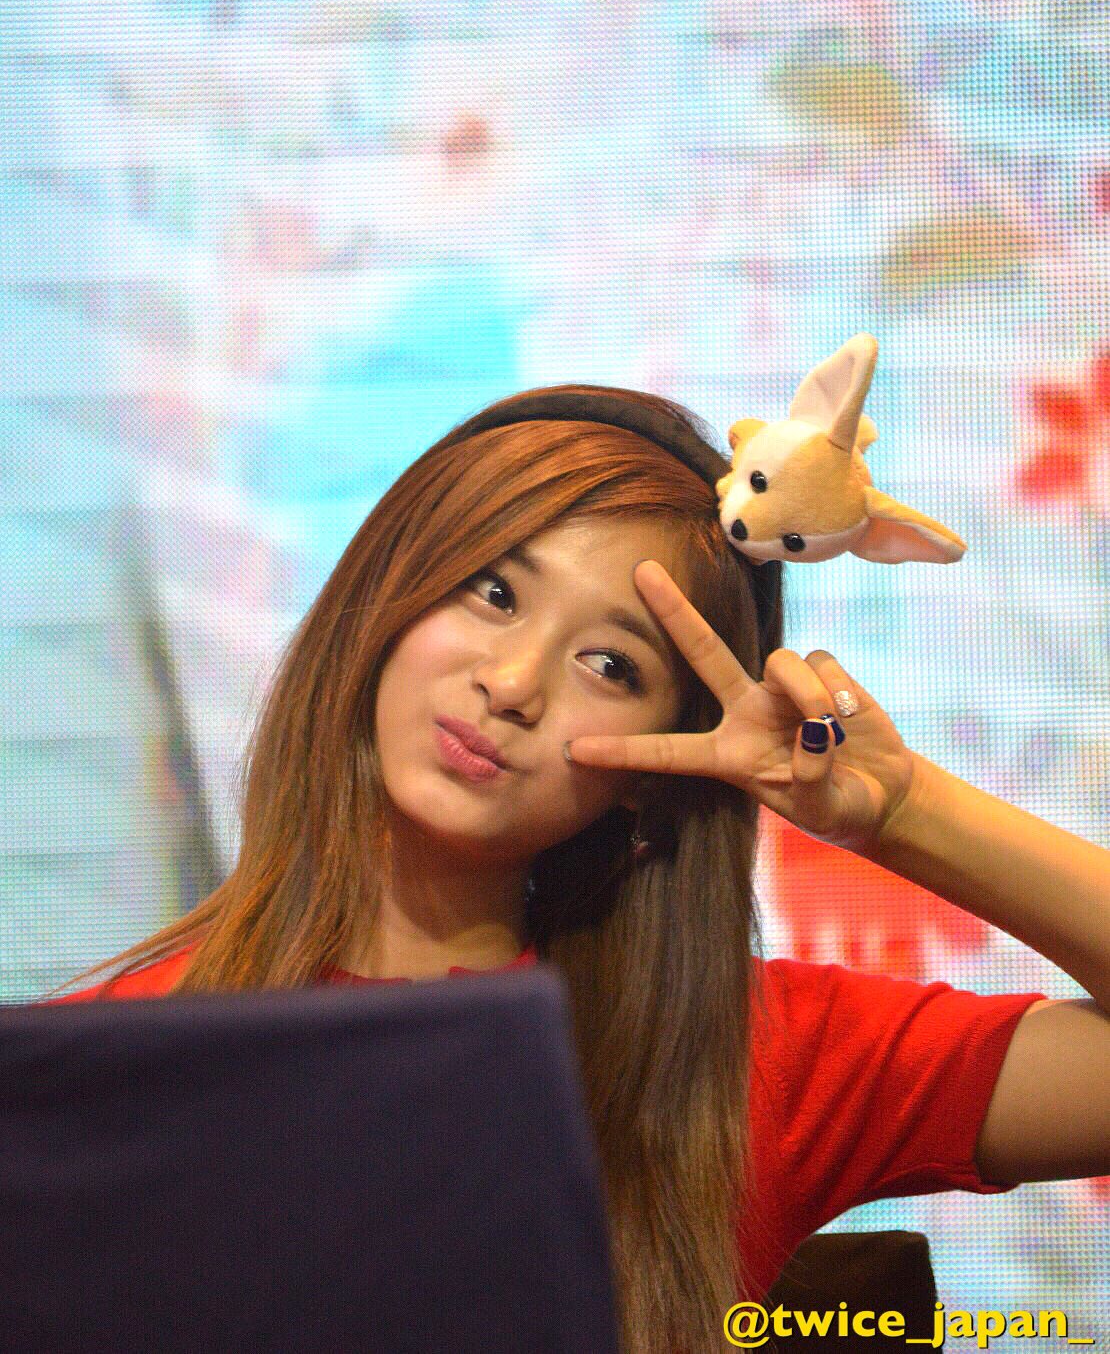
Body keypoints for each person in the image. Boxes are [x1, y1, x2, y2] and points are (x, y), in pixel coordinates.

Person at [50, 384, 1110, 1354]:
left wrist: (909, 814)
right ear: (386, 590)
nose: (513, 683)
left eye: (611, 663)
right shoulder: (108, 1064)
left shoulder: (725, 1061)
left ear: (654, 767)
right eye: (493, 590)